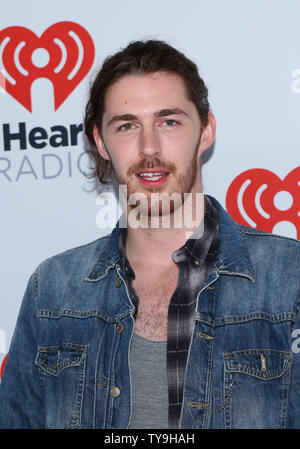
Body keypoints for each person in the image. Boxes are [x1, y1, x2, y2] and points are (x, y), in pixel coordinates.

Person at [0, 39, 300, 430]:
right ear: (100, 144)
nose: (149, 147)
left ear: (206, 131)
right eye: (126, 126)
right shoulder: (53, 289)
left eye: (169, 121)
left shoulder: (289, 278)